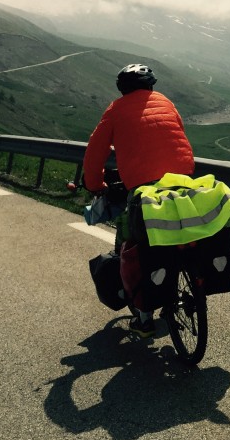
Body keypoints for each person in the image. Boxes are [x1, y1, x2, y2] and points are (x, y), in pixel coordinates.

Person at [83, 63, 194, 336]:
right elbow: (176, 135)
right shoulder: (166, 102)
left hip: (145, 187)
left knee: (138, 247)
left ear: (122, 89)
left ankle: (144, 321)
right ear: (151, 86)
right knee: (183, 234)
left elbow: (95, 151)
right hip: (182, 179)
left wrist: (95, 184)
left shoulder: (116, 109)